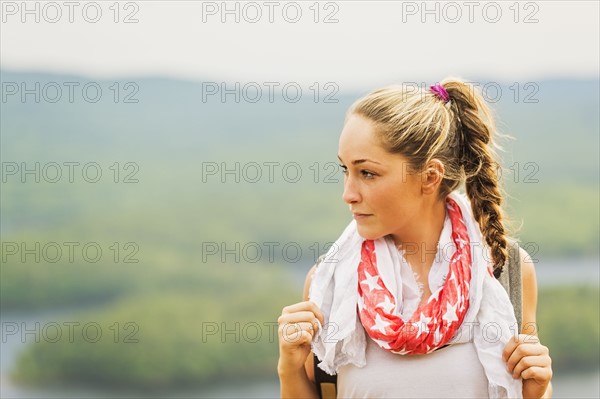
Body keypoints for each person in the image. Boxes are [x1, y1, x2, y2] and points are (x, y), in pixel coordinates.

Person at [277, 78, 553, 398]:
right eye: (345, 170)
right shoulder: (330, 283)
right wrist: (290, 369)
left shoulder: (507, 271)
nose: (348, 194)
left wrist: (538, 390)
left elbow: (530, 387)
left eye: (367, 173)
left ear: (430, 177)